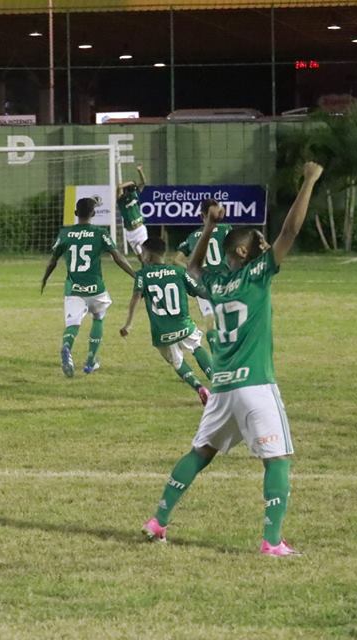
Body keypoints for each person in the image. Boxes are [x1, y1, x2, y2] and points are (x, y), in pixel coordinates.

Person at [141, 161, 323, 557]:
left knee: (200, 453)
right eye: (259, 240)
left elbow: (193, 266)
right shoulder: (257, 272)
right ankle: (272, 542)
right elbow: (290, 231)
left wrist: (207, 226)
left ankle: (158, 521)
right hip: (255, 384)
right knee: (278, 460)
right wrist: (308, 180)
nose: (265, 243)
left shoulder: (215, 282)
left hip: (222, 386)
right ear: (244, 251)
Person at [41, 197, 135, 377]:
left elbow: (52, 261)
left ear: (76, 214)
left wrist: (45, 279)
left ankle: (67, 347)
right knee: (98, 318)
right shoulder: (100, 233)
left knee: (73, 324)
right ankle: (91, 361)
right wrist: (135, 275)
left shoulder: (65, 233)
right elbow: (118, 258)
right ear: (93, 214)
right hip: (95, 289)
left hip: (74, 289)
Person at [120, 237, 212, 406]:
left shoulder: (143, 275)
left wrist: (128, 324)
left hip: (162, 332)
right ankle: (220, 384)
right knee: (197, 346)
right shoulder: (178, 271)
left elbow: (135, 298)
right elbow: (200, 291)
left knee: (177, 362)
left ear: (149, 255)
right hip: (183, 326)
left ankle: (199, 387)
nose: (142, 256)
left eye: (143, 252)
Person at [176, 200, 232, 350]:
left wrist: (191, 268)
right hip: (225, 279)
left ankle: (216, 355)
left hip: (203, 282)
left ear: (202, 215)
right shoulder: (226, 229)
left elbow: (176, 260)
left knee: (209, 320)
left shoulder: (193, 236)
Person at [117, 164, 148, 258]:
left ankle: (150, 270)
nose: (133, 190)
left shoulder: (135, 193)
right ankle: (144, 270)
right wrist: (131, 182)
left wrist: (140, 171)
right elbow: (119, 187)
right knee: (140, 258)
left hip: (140, 229)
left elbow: (143, 182)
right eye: (131, 189)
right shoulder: (121, 200)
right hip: (130, 232)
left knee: (146, 254)